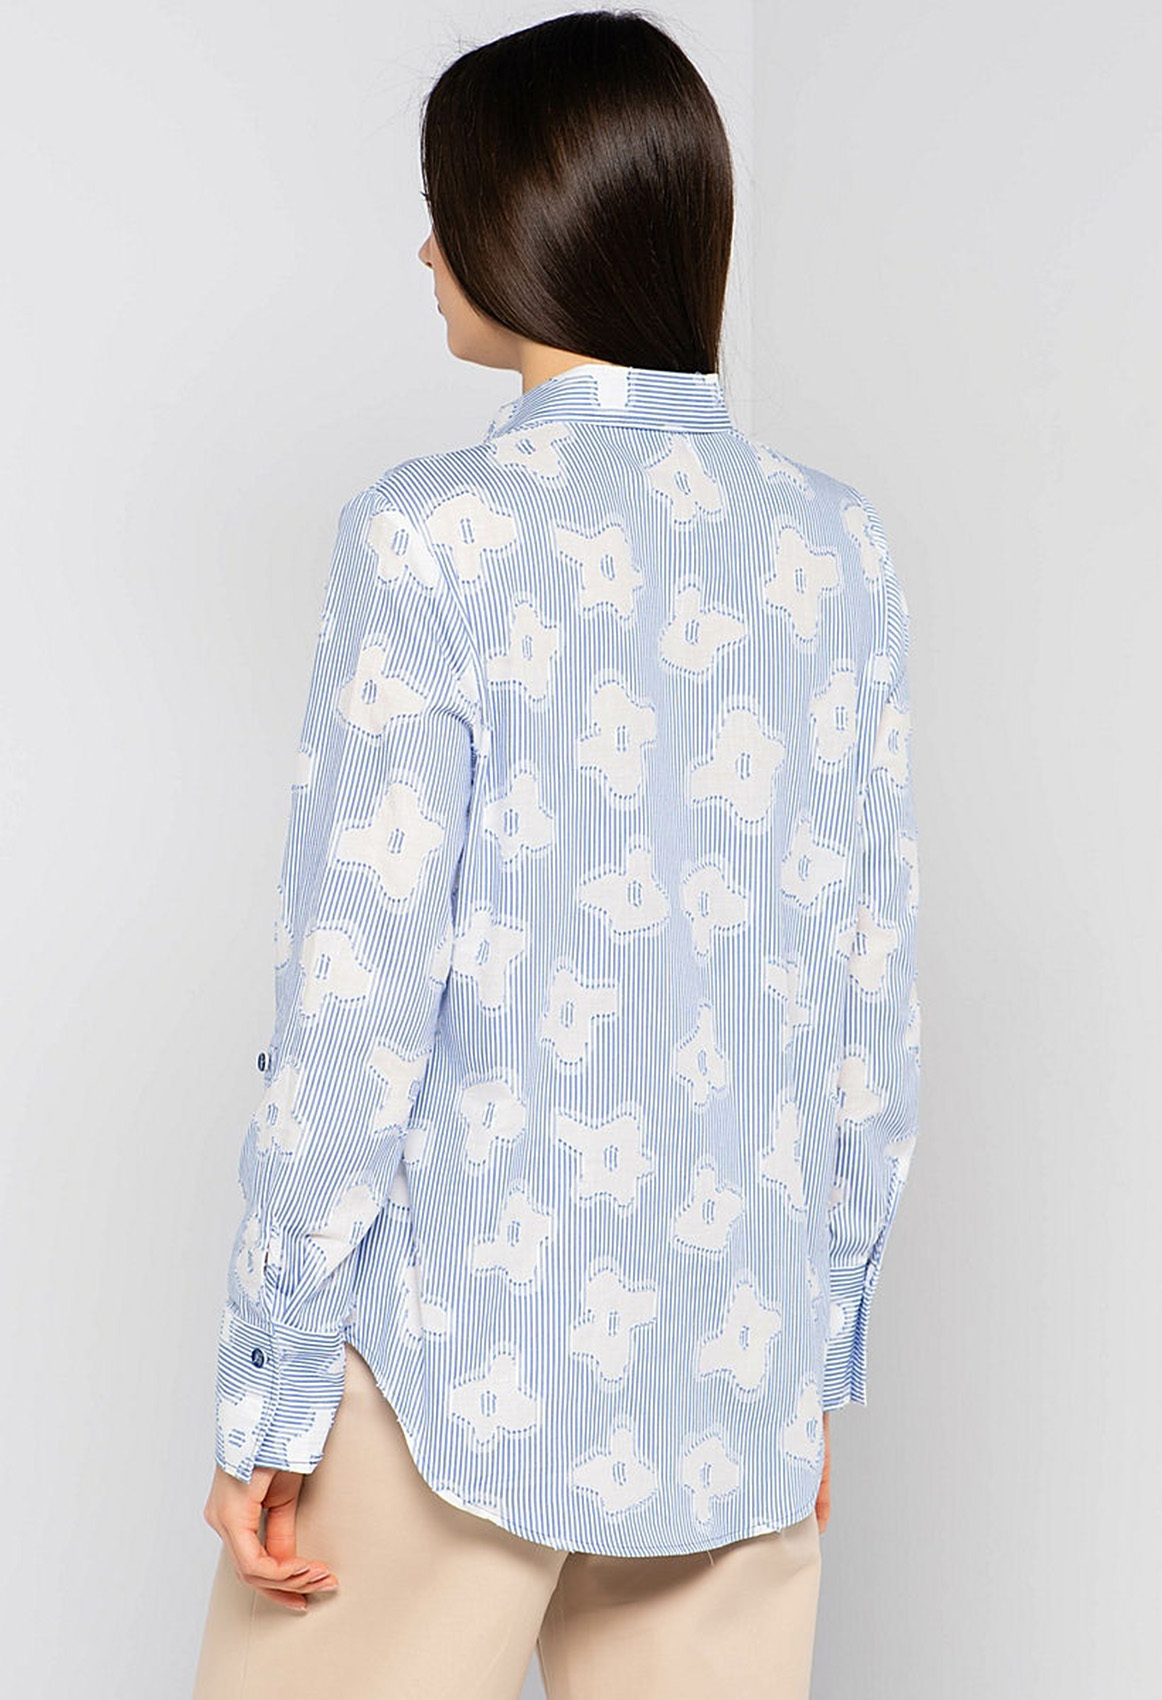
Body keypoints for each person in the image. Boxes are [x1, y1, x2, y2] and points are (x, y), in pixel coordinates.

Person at [193, 11, 921, 1698]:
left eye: (439, 207)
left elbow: (359, 1007)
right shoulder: (836, 548)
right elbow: (867, 998)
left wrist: (272, 1385)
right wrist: (812, 1350)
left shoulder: (430, 535)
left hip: (448, 1374)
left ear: (518, 224)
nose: (424, 251)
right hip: (733, 1384)